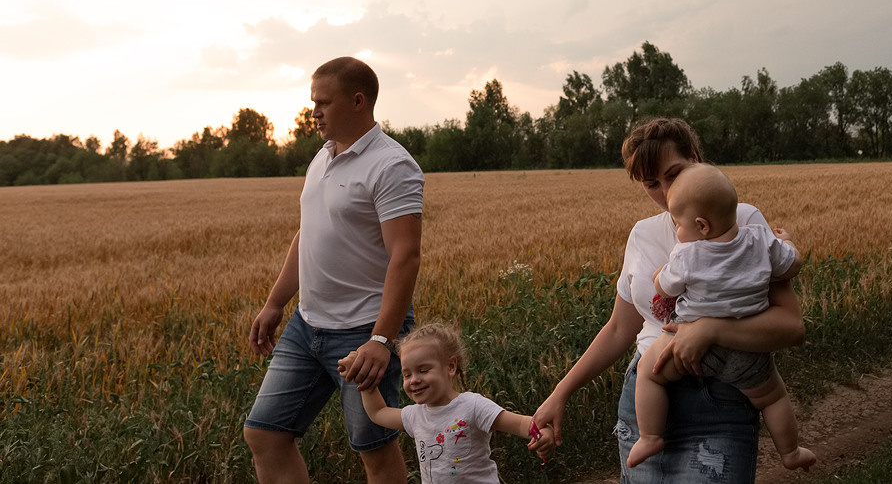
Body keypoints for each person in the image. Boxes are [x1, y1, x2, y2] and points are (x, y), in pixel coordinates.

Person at [534, 117, 806, 483]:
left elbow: (792, 328)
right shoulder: (642, 235)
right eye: (651, 184)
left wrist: (709, 330)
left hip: (723, 397)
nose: (664, 191)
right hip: (646, 396)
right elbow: (619, 329)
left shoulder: (745, 222)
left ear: (695, 158)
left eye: (674, 173)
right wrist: (560, 392)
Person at [243, 56, 425, 484]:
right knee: (264, 435)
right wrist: (275, 302)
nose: (314, 111)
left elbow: (406, 256)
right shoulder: (322, 157)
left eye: (323, 102)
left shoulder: (392, 165)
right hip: (306, 327)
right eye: (312, 102)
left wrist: (381, 341)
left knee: (375, 451)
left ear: (358, 101)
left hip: (363, 331)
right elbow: (307, 234)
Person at [627, 163, 815, 471]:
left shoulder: (687, 255)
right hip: (748, 350)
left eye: (679, 225)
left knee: (648, 373)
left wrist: (662, 274)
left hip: (686, 344)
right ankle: (791, 452)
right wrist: (789, 241)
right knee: (772, 397)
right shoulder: (761, 240)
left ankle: (649, 436)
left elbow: (665, 285)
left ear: (701, 226)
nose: (677, 231)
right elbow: (792, 264)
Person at [338, 323, 553, 482]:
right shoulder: (415, 415)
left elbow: (518, 423)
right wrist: (362, 379)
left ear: (450, 367)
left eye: (423, 370)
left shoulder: (472, 405)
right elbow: (378, 412)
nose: (414, 380)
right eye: (407, 374)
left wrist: (541, 432)